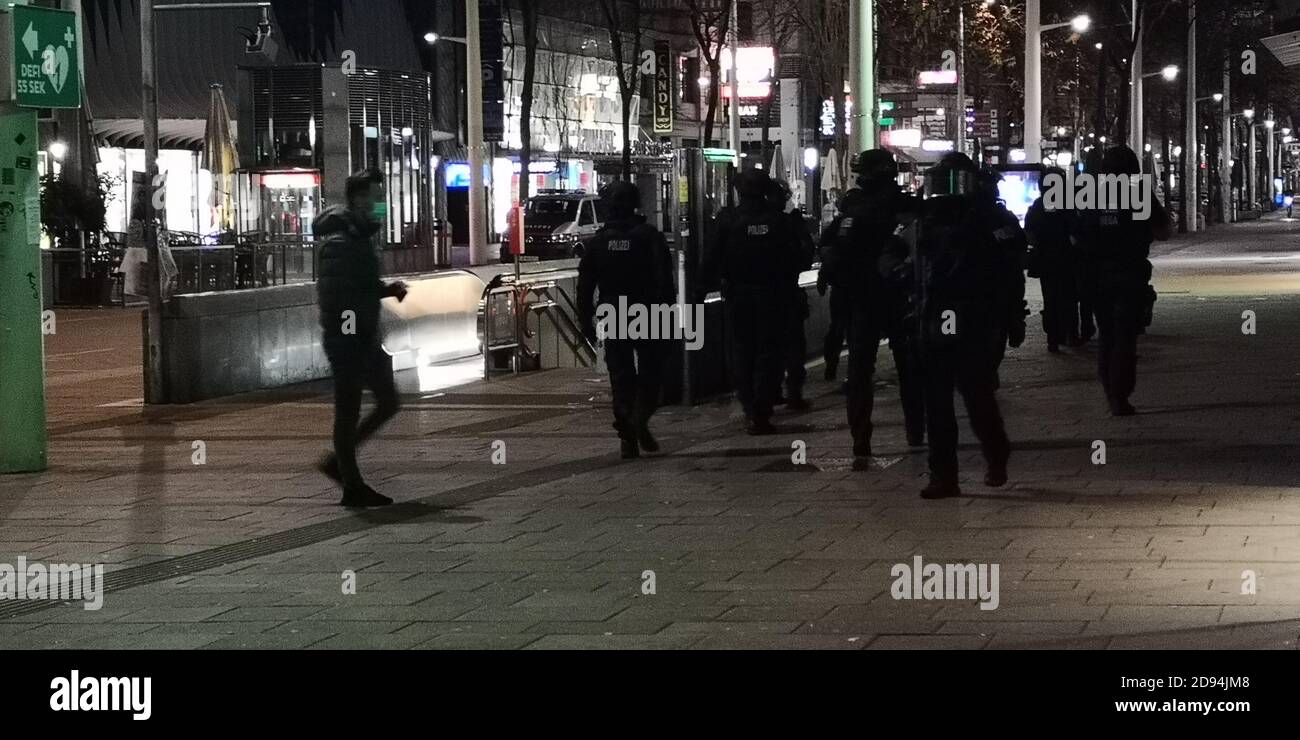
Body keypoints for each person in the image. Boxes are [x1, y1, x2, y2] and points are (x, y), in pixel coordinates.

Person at [883, 152, 1024, 498]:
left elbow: (1011, 267)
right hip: (932, 316)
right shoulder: (924, 220)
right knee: (937, 401)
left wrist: (1012, 315)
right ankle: (943, 475)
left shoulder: (990, 217)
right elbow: (891, 254)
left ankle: (995, 454)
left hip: (976, 317)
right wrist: (899, 273)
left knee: (977, 396)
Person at [819, 149, 921, 461]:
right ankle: (915, 430)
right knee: (910, 369)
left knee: (861, 372)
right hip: (898, 298)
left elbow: (831, 247)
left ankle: (860, 438)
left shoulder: (853, 208)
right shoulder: (906, 207)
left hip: (862, 299)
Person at [315, 169, 408, 507]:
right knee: (349, 410)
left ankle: (339, 464)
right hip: (349, 340)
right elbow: (337, 298)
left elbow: (356, 286)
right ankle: (350, 482)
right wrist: (354, 337)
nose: (381, 203)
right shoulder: (340, 241)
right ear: (357, 198)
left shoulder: (358, 236)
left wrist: (386, 290)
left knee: (387, 402)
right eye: (375, 196)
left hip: (362, 337)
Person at [577, 181, 675, 458]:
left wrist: (585, 321)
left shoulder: (598, 242)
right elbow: (665, 281)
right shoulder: (649, 237)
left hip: (613, 312)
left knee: (620, 376)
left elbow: (585, 287)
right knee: (653, 372)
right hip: (648, 311)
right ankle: (638, 420)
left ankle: (627, 434)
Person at [1071, 145, 1170, 416]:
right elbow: (1163, 230)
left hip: (1095, 275)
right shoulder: (1138, 195)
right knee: (1125, 336)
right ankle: (1120, 393)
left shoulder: (1090, 195)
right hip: (1129, 273)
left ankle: (1111, 391)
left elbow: (1076, 233)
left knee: (1107, 334)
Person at [703, 168, 800, 434]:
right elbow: (798, 258)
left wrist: (700, 291)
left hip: (738, 296)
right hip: (773, 296)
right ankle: (762, 410)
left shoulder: (727, 220)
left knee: (742, 352)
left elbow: (710, 258)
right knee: (769, 354)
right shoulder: (779, 221)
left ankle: (749, 405)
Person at [768, 178, 817, 411]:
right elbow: (806, 256)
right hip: (786, 293)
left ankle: (765, 398)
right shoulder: (790, 224)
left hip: (750, 298)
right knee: (793, 347)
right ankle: (793, 394)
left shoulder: (735, 221)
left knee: (763, 349)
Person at [1025, 167, 1079, 352]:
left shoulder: (1038, 205)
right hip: (1067, 259)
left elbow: (1029, 232)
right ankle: (1071, 333)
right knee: (1070, 297)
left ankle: (1053, 338)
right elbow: (1075, 232)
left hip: (1046, 260)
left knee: (1050, 299)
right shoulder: (1068, 204)